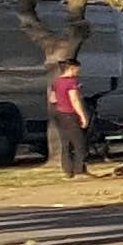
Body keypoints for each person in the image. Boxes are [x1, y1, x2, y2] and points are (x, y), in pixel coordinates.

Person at [43, 40, 86, 181]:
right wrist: (82, 116)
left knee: (65, 143)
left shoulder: (56, 82)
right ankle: (79, 170)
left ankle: (67, 170)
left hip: (58, 114)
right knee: (79, 143)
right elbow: (75, 100)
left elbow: (52, 98)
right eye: (77, 69)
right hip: (69, 113)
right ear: (72, 68)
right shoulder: (71, 82)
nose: (78, 72)